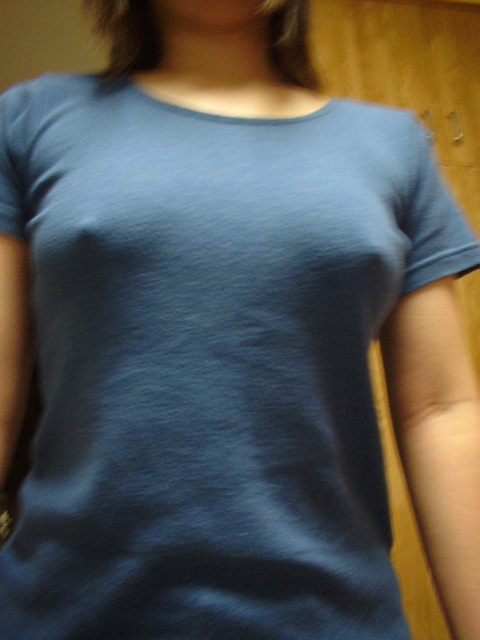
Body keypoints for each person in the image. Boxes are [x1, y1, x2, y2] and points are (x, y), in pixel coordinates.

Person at [0, 0, 478, 638]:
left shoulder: (395, 145)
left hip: (330, 620)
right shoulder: (30, 118)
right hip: (64, 614)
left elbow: (440, 410)